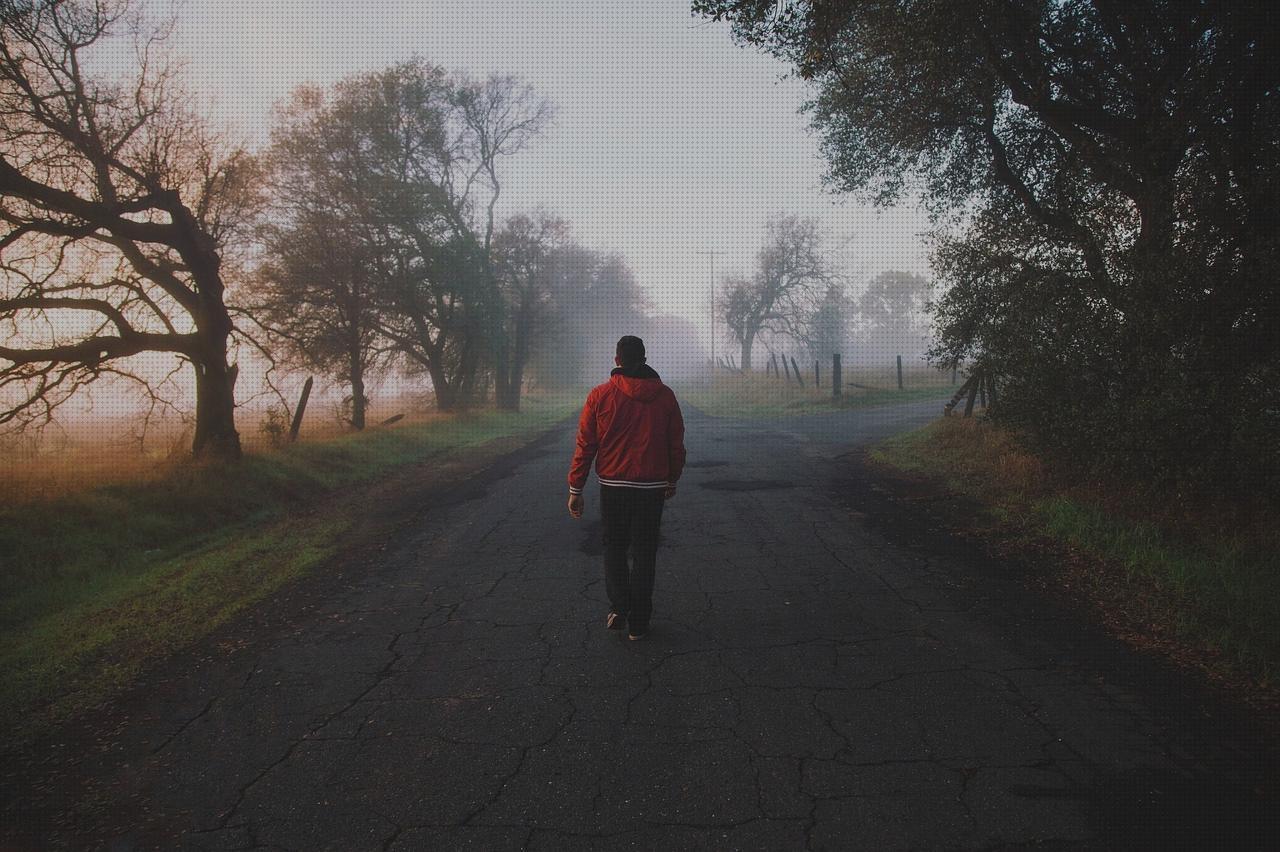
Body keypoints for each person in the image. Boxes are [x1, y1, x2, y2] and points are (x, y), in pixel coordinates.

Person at [567, 335, 686, 640]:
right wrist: (672, 478)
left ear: (617, 360)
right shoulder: (666, 396)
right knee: (645, 552)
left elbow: (586, 444)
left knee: (615, 547)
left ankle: (620, 608)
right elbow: (676, 444)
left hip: (614, 485)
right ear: (644, 359)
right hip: (652, 486)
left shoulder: (600, 396)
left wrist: (575, 488)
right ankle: (640, 623)